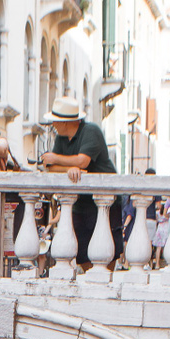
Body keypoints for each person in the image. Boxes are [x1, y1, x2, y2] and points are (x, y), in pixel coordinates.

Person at [38, 97, 119, 268]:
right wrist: (70, 168)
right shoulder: (61, 138)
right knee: (82, 251)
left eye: (55, 121)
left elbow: (83, 161)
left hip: (104, 199)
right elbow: (51, 167)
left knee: (107, 250)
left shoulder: (91, 131)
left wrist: (57, 158)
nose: (53, 124)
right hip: (80, 202)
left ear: (65, 122)